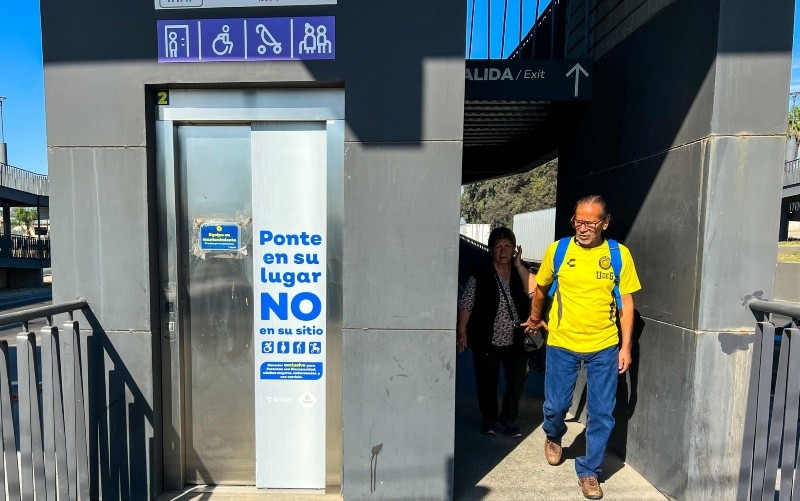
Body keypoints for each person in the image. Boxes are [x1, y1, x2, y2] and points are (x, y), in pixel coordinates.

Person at [522, 195, 641, 500]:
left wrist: (625, 347)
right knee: (556, 406)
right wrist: (535, 317)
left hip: (604, 346)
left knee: (602, 413)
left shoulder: (618, 255)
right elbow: (542, 289)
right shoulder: (559, 250)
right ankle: (553, 434)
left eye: (589, 222)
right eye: (578, 221)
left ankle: (589, 471)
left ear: (605, 223)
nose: (582, 227)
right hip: (562, 343)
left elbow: (627, 304)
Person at [457, 227, 532, 437]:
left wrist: (519, 265)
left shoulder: (521, 270)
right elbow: (466, 303)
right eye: (498, 246)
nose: (503, 251)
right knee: (487, 382)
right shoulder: (480, 273)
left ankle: (509, 418)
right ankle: (489, 419)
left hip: (516, 339)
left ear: (514, 250)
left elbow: (533, 292)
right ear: (491, 249)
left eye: (508, 246)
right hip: (486, 338)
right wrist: (462, 331)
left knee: (516, 381)